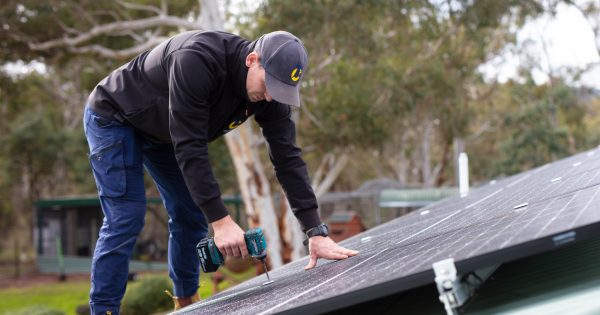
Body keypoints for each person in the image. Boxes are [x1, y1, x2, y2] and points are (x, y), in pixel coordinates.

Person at [83, 30, 359, 314]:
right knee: (126, 216)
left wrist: (315, 231)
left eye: (279, 90)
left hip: (164, 132)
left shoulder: (269, 95)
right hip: (114, 117)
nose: (269, 96)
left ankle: (186, 304)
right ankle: (103, 310)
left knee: (189, 214)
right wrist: (221, 220)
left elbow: (287, 158)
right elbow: (190, 146)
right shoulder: (197, 59)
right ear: (252, 60)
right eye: (268, 85)